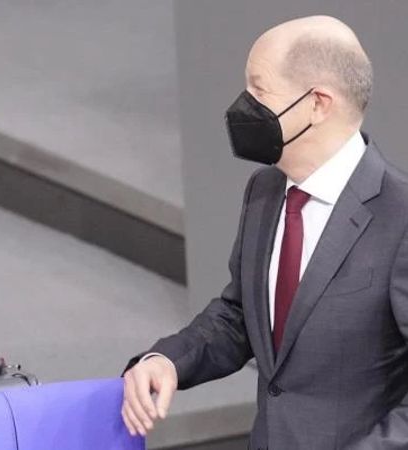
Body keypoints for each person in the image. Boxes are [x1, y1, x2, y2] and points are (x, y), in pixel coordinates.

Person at [122, 16, 408, 449]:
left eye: (259, 90)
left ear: (318, 104)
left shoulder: (400, 216)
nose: (243, 105)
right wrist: (168, 360)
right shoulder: (265, 189)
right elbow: (240, 314)